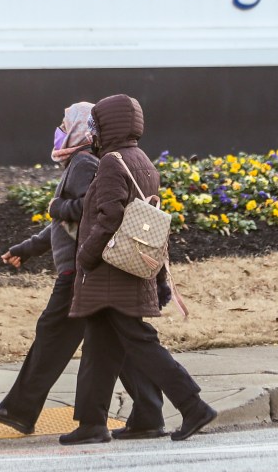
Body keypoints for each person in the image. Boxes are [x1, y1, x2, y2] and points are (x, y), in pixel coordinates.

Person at [0, 101, 168, 440]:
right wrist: (27, 249)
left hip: (80, 271)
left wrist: (57, 206)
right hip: (84, 267)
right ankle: (148, 415)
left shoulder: (83, 163)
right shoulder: (85, 162)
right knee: (116, 343)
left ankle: (20, 411)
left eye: (65, 124)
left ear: (81, 128)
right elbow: (64, 225)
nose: (60, 130)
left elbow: (90, 210)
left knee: (53, 336)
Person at [59, 94, 217, 446]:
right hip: (128, 271)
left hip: (110, 273)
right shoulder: (143, 160)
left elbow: (110, 216)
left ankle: (193, 406)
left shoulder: (112, 162)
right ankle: (93, 423)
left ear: (110, 126)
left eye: (97, 124)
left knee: (142, 345)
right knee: (100, 349)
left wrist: (86, 256)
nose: (93, 131)